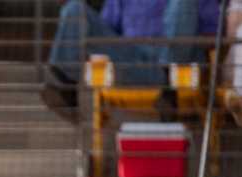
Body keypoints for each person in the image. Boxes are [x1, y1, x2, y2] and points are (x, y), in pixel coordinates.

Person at [42, 0, 215, 117]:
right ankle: (63, 86)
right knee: (75, 9)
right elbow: (102, 34)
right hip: (135, 63)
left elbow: (215, 34)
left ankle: (167, 81)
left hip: (179, 70)